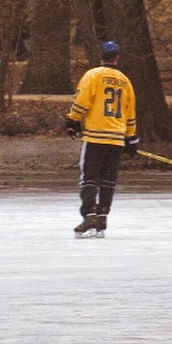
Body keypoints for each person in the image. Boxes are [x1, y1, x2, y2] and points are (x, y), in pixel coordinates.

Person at [64, 40, 138, 237]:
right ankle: (102, 219)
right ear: (117, 57)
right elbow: (130, 112)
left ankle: (89, 215)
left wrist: (73, 120)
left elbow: (82, 101)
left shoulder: (93, 75)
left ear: (101, 56)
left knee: (89, 178)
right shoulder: (125, 81)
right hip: (116, 139)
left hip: (96, 136)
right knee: (107, 180)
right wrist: (131, 137)